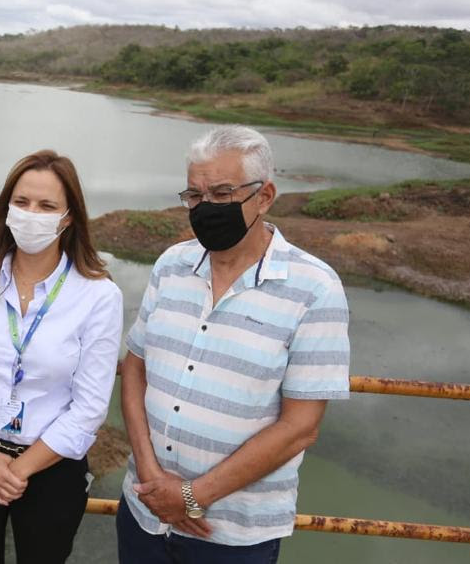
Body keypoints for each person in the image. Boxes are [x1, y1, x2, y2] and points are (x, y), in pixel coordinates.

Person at [117, 126, 350, 563]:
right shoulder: (171, 266)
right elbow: (135, 368)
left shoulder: (314, 289)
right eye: (195, 195)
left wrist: (192, 495)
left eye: (222, 193)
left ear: (264, 197)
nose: (206, 207)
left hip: (232, 536)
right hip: (143, 512)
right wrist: (150, 476)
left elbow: (301, 426)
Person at [0, 150, 123, 564]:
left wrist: (14, 472)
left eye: (47, 206)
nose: (31, 214)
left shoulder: (98, 296)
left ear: (68, 218)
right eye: (21, 202)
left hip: (52, 466)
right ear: (6, 208)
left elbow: (90, 407)